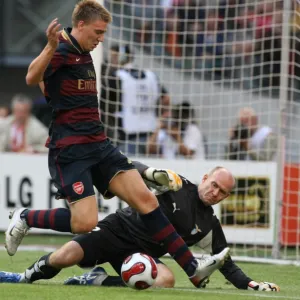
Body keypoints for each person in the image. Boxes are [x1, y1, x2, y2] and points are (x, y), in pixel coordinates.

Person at [5, 0, 210, 288]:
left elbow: (51, 86)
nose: (101, 38)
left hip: (99, 144)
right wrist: (49, 47)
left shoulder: (85, 53)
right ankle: (26, 217)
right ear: (80, 25)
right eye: (98, 32)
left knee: (147, 200)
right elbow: (31, 77)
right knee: (84, 224)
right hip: (71, 150)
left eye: (103, 33)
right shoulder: (60, 48)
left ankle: (192, 268)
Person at [0, 162, 279, 292]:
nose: (215, 192)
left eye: (222, 192)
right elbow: (131, 167)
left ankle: (96, 280)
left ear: (226, 197)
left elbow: (225, 263)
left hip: (139, 257)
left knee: (166, 280)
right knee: (63, 258)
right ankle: (21, 277)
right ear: (205, 178)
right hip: (114, 231)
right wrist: (149, 172)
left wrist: (252, 284)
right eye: (214, 185)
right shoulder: (176, 184)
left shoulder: (210, 225)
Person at [100, 43, 169, 155]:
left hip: (128, 136)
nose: (111, 60)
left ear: (121, 57)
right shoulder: (150, 75)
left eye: (113, 56)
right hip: (151, 137)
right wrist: (158, 115)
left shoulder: (116, 77)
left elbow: (104, 104)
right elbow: (166, 98)